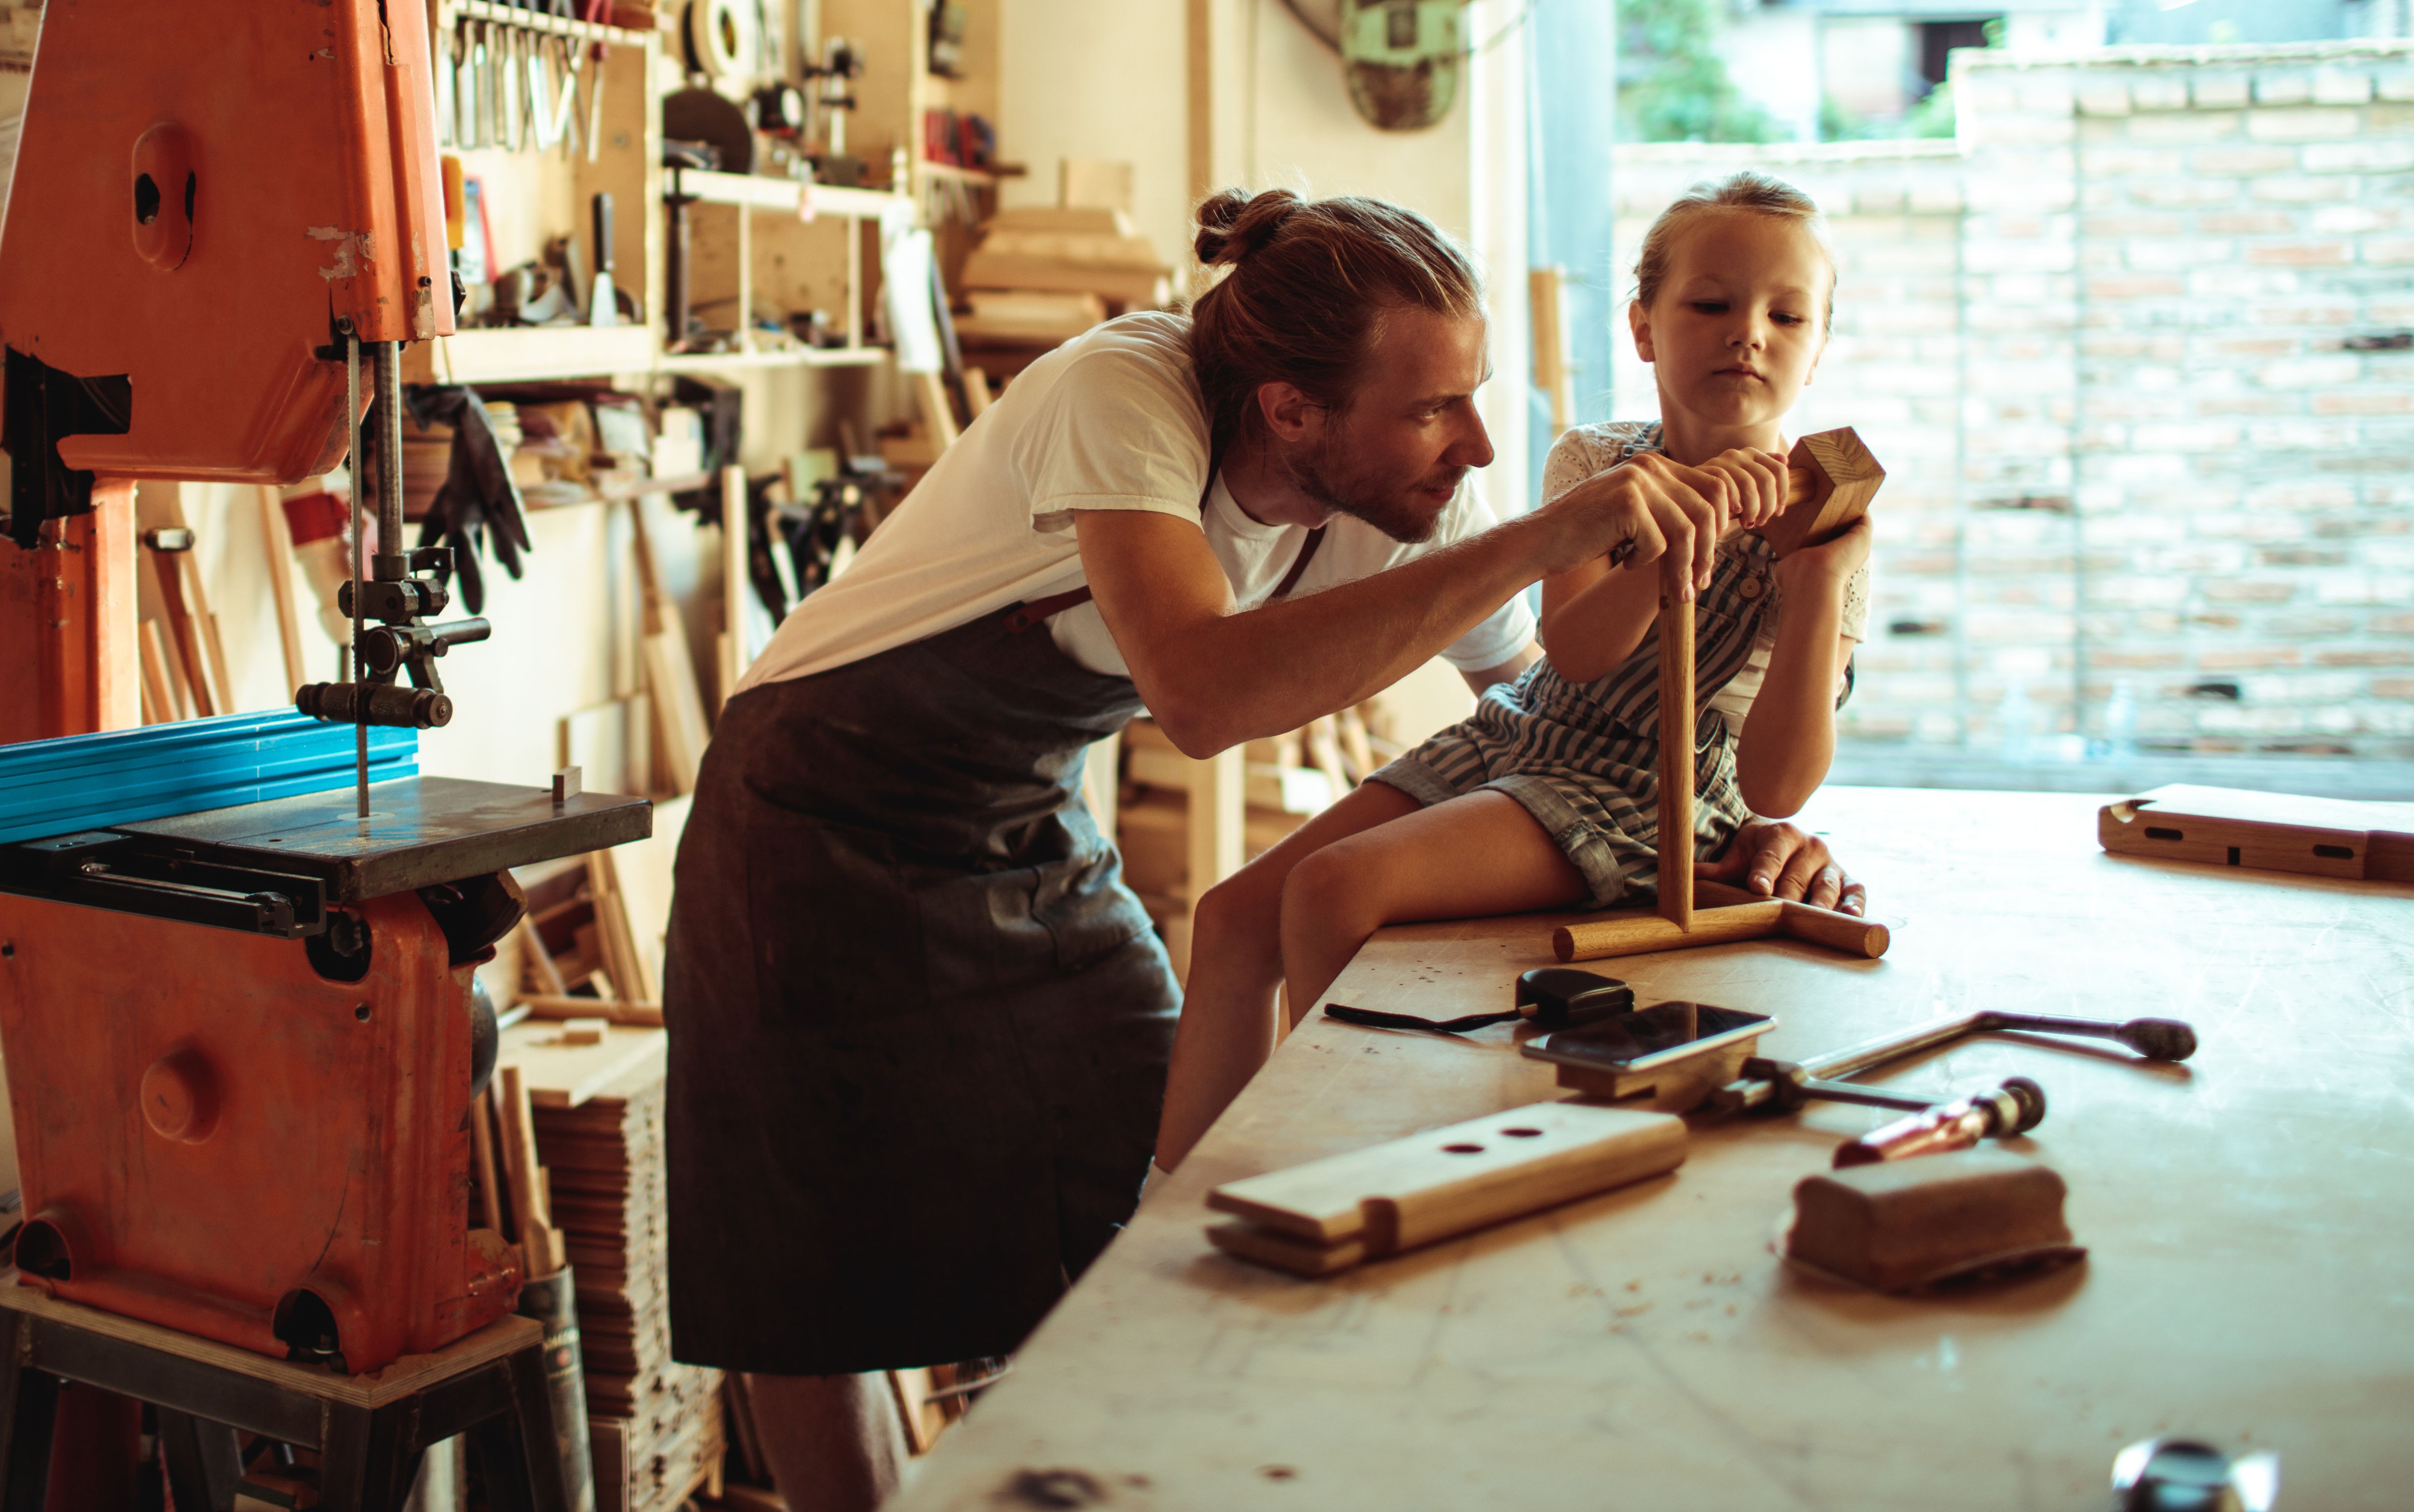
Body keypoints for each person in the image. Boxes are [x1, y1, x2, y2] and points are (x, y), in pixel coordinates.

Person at [664, 187, 1849, 1512]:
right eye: (1430, 410)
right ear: (1292, 412)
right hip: (814, 811)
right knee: (817, 1269)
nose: (1470, 446)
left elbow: (1536, 714)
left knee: (1150, 1174)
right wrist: (1543, 541)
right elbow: (1203, 694)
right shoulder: (1124, 393)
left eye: (1476, 399)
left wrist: (1753, 832)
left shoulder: (1421, 491)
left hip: (1019, 813)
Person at [1154, 171, 1875, 1172]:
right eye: (1711, 304)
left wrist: (1822, 578)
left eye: (1786, 314)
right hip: (1524, 735)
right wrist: (1668, 533)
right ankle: (1176, 1213)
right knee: (1236, 915)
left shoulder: (1828, 523)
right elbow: (1574, 655)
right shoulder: (1599, 462)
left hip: (1644, 794)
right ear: (1643, 328)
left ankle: (1325, 1176)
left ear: (1820, 344)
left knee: (1331, 893)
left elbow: (1777, 784)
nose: (1748, 333)